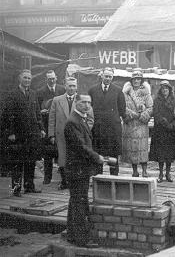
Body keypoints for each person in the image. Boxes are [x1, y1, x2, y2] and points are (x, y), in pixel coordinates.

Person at [64, 94, 104, 247]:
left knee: (75, 201)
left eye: (89, 102)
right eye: (83, 102)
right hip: (77, 168)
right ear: (76, 102)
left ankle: (72, 235)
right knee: (80, 203)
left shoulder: (80, 119)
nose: (87, 105)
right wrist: (97, 157)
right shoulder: (73, 121)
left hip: (79, 168)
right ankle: (82, 239)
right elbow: (81, 146)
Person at [1, 69, 46, 196]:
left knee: (31, 161)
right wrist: (10, 132)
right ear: (20, 79)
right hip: (18, 135)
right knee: (17, 163)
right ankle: (16, 189)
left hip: (32, 134)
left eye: (29, 78)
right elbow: (7, 115)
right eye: (25, 78)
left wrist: (41, 128)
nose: (27, 80)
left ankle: (29, 186)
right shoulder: (12, 94)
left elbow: (37, 113)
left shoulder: (33, 93)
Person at [49, 77, 93, 190]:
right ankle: (64, 181)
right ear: (65, 86)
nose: (72, 88)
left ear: (77, 87)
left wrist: (83, 131)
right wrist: (51, 135)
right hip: (62, 135)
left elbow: (90, 119)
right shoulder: (57, 100)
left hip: (78, 135)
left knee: (76, 157)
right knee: (63, 158)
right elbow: (52, 119)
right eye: (70, 85)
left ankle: (74, 181)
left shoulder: (82, 100)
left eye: (74, 86)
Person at [88, 67, 126, 176]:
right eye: (106, 76)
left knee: (113, 155)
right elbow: (88, 108)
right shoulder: (92, 90)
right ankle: (97, 177)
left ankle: (114, 177)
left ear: (112, 77)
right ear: (102, 76)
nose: (108, 78)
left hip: (112, 129)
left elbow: (122, 109)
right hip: (97, 128)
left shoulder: (118, 91)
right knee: (97, 154)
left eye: (110, 77)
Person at [121, 71, 153, 177]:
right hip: (130, 124)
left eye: (138, 79)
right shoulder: (125, 93)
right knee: (132, 148)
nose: (136, 81)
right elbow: (122, 107)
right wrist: (132, 114)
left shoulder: (146, 93)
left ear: (141, 80)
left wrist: (143, 115)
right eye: (134, 79)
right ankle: (135, 170)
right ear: (131, 80)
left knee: (142, 148)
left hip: (141, 125)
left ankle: (144, 170)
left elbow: (150, 107)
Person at [37, 70, 66, 185]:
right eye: (49, 79)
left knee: (62, 152)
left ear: (56, 78)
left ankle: (64, 178)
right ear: (46, 79)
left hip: (60, 125)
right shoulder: (40, 92)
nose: (52, 80)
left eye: (53, 78)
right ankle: (47, 178)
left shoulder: (62, 89)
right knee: (48, 153)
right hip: (46, 124)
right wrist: (41, 111)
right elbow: (36, 109)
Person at [149, 80, 175, 182]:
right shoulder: (157, 100)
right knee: (160, 153)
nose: (165, 90)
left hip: (171, 131)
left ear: (169, 90)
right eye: (163, 89)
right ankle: (161, 173)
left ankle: (168, 173)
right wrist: (164, 123)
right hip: (160, 130)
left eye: (166, 88)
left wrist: (172, 125)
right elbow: (156, 114)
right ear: (160, 90)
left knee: (169, 154)